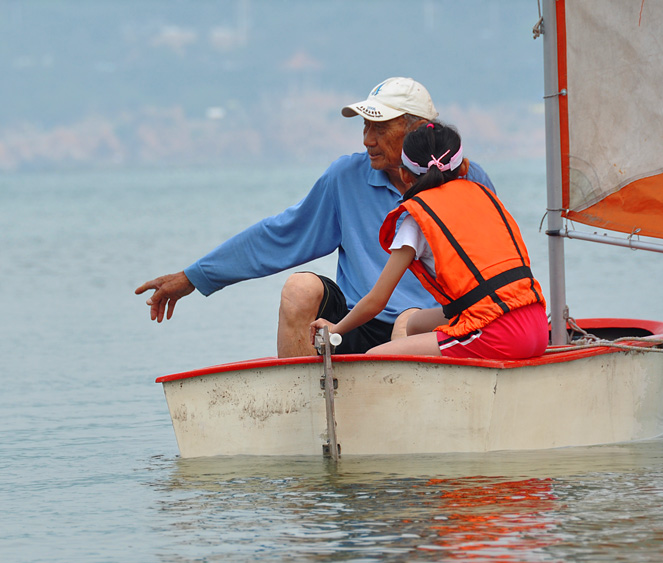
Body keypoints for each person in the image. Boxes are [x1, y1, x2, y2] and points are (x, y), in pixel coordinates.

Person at [135, 77, 495, 357]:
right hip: (360, 323)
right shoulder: (345, 178)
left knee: (411, 321)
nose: (368, 139)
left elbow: (498, 265)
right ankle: (302, 415)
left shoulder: (467, 177)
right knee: (299, 289)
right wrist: (194, 277)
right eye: (365, 127)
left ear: (416, 130)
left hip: (441, 327)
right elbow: (279, 237)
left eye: (380, 128)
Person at [311, 122, 547, 359]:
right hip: (535, 322)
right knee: (414, 325)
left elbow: (376, 301)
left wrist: (335, 329)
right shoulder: (485, 196)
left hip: (499, 334)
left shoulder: (417, 221)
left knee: (376, 358)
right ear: (464, 166)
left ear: (404, 174)